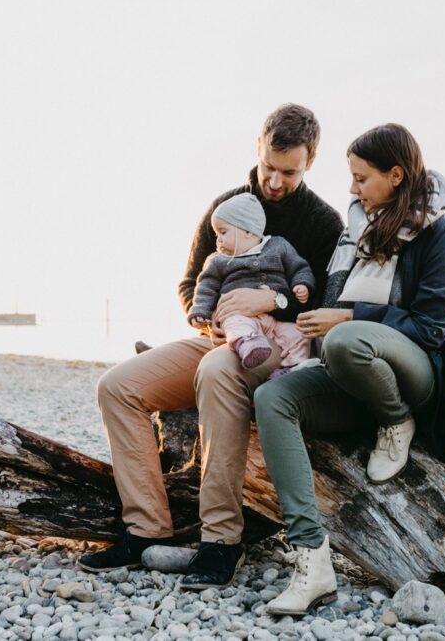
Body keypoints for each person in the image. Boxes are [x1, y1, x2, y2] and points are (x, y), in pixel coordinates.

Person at [77, 104, 344, 590]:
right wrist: (205, 320)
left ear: (311, 162)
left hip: (279, 351)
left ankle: (221, 541)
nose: (276, 181)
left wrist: (274, 298)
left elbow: (324, 305)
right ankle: (145, 530)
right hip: (222, 339)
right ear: (258, 148)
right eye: (269, 167)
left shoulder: (323, 223)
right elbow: (189, 283)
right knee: (118, 387)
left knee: (219, 371)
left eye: (290, 171)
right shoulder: (226, 207)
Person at [252, 123, 445, 616]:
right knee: (272, 399)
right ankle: (312, 559)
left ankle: (395, 418)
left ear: (396, 175)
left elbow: (432, 330)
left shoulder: (441, 236)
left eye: (361, 178)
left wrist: (347, 317)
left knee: (345, 337)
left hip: (419, 376)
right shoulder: (359, 231)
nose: (352, 189)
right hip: (351, 367)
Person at [187, 192, 315, 377]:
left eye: (223, 232)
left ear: (247, 231)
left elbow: (299, 267)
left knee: (297, 334)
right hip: (240, 314)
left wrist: (303, 284)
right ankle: (249, 345)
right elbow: (206, 286)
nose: (218, 240)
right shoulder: (218, 260)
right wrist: (201, 311)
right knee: (235, 325)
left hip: (278, 317)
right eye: (217, 234)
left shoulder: (278, 246)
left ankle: (292, 367)